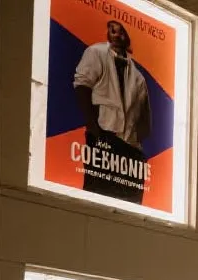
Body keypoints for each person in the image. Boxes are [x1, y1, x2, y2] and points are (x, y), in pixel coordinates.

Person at [73, 21, 152, 203]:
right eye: (111, 30)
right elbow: (82, 86)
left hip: (129, 150)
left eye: (121, 31)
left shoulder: (139, 78)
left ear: (129, 36)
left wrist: (135, 147)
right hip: (103, 138)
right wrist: (94, 128)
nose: (115, 34)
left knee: (131, 208)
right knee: (96, 199)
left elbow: (146, 121)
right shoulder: (96, 53)